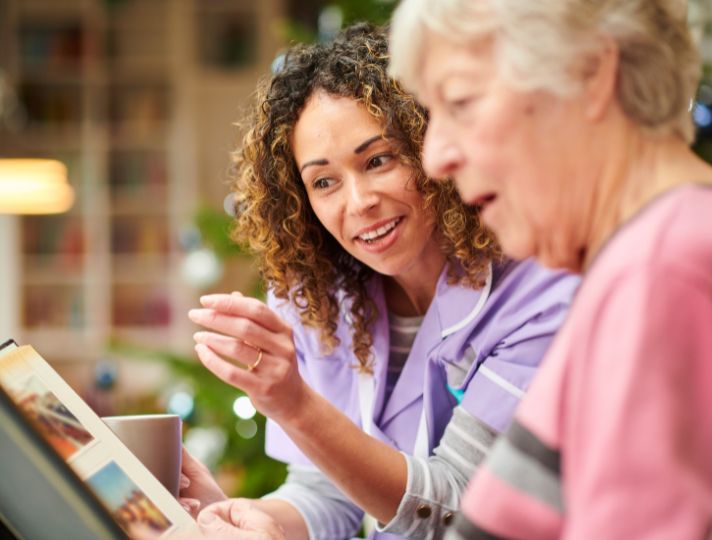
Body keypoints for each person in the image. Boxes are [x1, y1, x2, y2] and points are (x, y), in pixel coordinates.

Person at [184, 24, 578, 540]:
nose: (358, 202)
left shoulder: (539, 293)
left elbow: (458, 509)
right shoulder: (320, 300)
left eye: (378, 160)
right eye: (324, 182)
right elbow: (326, 492)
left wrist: (296, 406)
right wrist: (244, 519)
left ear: (431, 145)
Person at [388, 0, 712, 538]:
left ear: (590, 73)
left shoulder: (663, 268)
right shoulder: (637, 265)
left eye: (462, 102)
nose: (435, 156)